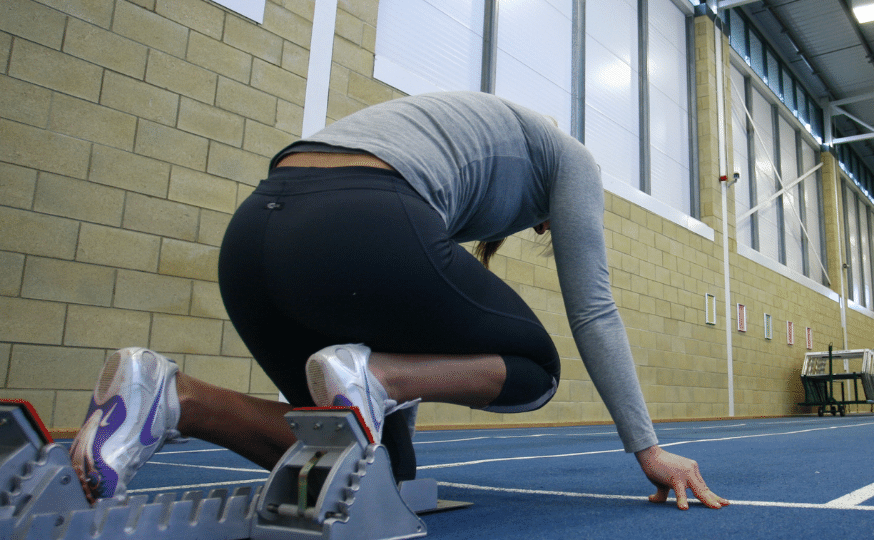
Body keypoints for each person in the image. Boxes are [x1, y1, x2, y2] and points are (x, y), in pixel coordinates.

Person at [69, 91, 729, 512]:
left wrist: (385, 414)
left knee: (362, 461)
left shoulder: (466, 146)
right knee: (536, 366)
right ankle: (375, 378)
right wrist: (647, 448)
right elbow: (594, 308)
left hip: (254, 240)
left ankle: (176, 396)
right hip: (359, 220)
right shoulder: (570, 157)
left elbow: (401, 309)